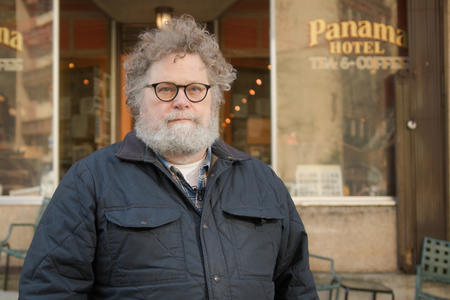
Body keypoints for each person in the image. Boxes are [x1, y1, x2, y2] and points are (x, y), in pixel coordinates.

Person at [19, 15, 318, 299]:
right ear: (137, 100)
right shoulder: (90, 182)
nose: (181, 101)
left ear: (214, 99)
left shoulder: (263, 183)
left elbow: (298, 290)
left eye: (196, 89)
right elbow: (49, 290)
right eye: (165, 89)